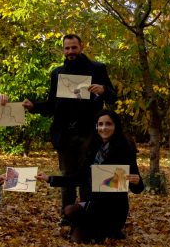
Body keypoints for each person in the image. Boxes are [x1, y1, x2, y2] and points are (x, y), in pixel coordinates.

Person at [23, 34, 117, 221]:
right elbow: (52, 105)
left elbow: (113, 97)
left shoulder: (97, 68)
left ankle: (87, 215)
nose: (70, 51)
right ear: (63, 50)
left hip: (89, 134)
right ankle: (67, 216)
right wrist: (34, 106)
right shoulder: (57, 73)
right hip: (65, 135)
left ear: (81, 46)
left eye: (74, 47)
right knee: (67, 177)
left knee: (89, 176)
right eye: (67, 48)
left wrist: (104, 90)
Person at [36, 110, 145, 243]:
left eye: (108, 124)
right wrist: (50, 179)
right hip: (94, 204)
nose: (104, 128)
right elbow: (78, 177)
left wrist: (136, 181)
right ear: (96, 127)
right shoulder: (93, 148)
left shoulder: (125, 150)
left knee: (78, 234)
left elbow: (138, 188)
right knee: (69, 212)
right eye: (100, 124)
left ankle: (109, 230)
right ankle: (98, 230)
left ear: (115, 126)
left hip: (114, 207)